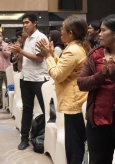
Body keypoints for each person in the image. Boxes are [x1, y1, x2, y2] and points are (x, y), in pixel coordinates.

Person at [77, 14, 115, 164]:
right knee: (98, 160)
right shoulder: (95, 55)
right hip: (98, 118)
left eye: (103, 30)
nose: (98, 34)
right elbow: (81, 83)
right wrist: (100, 76)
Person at [36, 15, 90, 164]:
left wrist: (47, 56)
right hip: (76, 98)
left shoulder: (72, 50)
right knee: (75, 142)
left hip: (74, 101)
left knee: (74, 145)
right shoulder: (76, 47)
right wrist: (52, 54)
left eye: (63, 29)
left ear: (71, 33)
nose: (61, 32)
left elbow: (58, 75)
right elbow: (65, 68)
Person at [9, 13, 49, 151]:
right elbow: (26, 57)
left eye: (27, 22)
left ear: (35, 23)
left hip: (38, 79)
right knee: (27, 110)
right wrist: (17, 53)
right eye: (23, 23)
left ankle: (46, 138)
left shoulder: (41, 37)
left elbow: (39, 59)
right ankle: (24, 138)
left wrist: (21, 50)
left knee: (46, 110)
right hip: (26, 78)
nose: (24, 25)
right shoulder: (27, 39)